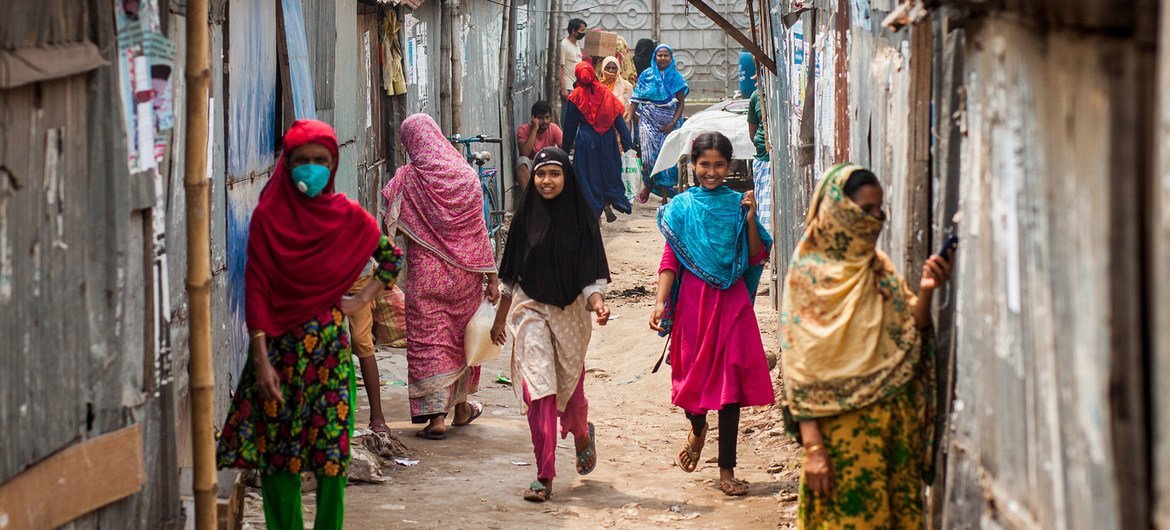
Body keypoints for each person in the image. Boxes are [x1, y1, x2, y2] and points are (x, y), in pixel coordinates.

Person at [216, 119, 403, 530]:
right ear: (288, 164)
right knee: (278, 459)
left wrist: (360, 298)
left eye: (321, 160)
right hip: (279, 354)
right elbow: (257, 289)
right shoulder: (268, 217)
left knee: (330, 459)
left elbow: (390, 258)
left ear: (333, 165)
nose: (312, 168)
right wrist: (261, 361)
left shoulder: (347, 217)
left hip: (330, 354)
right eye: (303, 160)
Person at [780, 164, 953, 528]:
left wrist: (926, 289)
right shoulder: (808, 279)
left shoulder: (879, 268)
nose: (876, 220)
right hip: (843, 444)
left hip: (894, 435)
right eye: (865, 211)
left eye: (880, 211)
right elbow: (799, 373)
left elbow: (910, 331)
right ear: (840, 212)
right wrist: (813, 450)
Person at [648, 132, 774, 497]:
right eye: (705, 164)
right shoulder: (682, 207)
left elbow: (754, 255)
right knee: (693, 380)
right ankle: (698, 427)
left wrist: (751, 218)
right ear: (693, 164)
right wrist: (660, 301)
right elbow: (670, 260)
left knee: (730, 385)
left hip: (732, 304)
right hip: (693, 305)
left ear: (730, 165)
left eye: (719, 164)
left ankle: (727, 470)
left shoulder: (739, 204)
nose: (712, 171)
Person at [490, 147, 611, 503]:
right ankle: (544, 475)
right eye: (541, 174)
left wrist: (598, 303)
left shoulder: (583, 218)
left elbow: (591, 276)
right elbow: (510, 275)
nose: (546, 181)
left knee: (571, 392)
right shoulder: (525, 218)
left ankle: (581, 433)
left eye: (555, 174)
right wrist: (500, 320)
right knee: (540, 390)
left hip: (571, 313)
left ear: (566, 177)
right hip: (530, 311)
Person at [380, 113, 499, 440]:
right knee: (463, 340)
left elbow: (388, 223)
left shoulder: (407, 179)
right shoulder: (466, 176)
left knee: (430, 343)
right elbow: (479, 231)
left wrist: (385, 274)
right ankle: (461, 406)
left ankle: (437, 419)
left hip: (426, 279)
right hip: (465, 276)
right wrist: (492, 278)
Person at [563, 61, 635, 222]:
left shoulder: (575, 97)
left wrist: (564, 151)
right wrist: (628, 144)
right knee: (608, 173)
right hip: (607, 140)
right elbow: (619, 121)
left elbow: (569, 128)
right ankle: (608, 202)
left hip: (586, 142)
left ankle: (593, 211)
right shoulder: (605, 92)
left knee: (587, 176)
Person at [632, 44, 689, 203]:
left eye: (666, 56)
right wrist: (632, 118)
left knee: (667, 159)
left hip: (670, 123)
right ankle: (648, 185)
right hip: (649, 122)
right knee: (648, 158)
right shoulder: (646, 75)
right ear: (654, 57)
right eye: (660, 55)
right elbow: (635, 99)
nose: (663, 58)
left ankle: (665, 196)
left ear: (671, 58)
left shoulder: (676, 77)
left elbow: (681, 104)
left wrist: (673, 123)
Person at [345, 266, 390, 434]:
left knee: (361, 342)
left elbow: (392, 258)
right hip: (324, 285)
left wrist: (364, 297)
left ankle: (377, 417)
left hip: (359, 281)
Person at [516, 100, 563, 193]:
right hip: (532, 163)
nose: (544, 121)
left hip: (548, 162)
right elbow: (524, 153)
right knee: (521, 161)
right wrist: (534, 129)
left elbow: (564, 148)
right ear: (533, 118)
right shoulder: (523, 129)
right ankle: (529, 199)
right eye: (540, 118)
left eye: (547, 118)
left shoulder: (554, 128)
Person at [746, 87, 773, 227]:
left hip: (775, 158)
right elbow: (753, 131)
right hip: (763, 159)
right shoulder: (756, 96)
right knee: (764, 210)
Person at [599, 56, 634, 129]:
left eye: (613, 68)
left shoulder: (627, 86)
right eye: (607, 68)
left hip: (620, 124)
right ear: (603, 68)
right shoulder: (598, 85)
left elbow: (629, 106)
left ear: (618, 69)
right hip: (601, 125)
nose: (610, 70)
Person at [560, 18, 587, 102]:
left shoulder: (576, 45)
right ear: (573, 31)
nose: (583, 33)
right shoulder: (564, 44)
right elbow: (560, 68)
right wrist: (564, 89)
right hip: (568, 88)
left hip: (576, 87)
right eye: (582, 30)